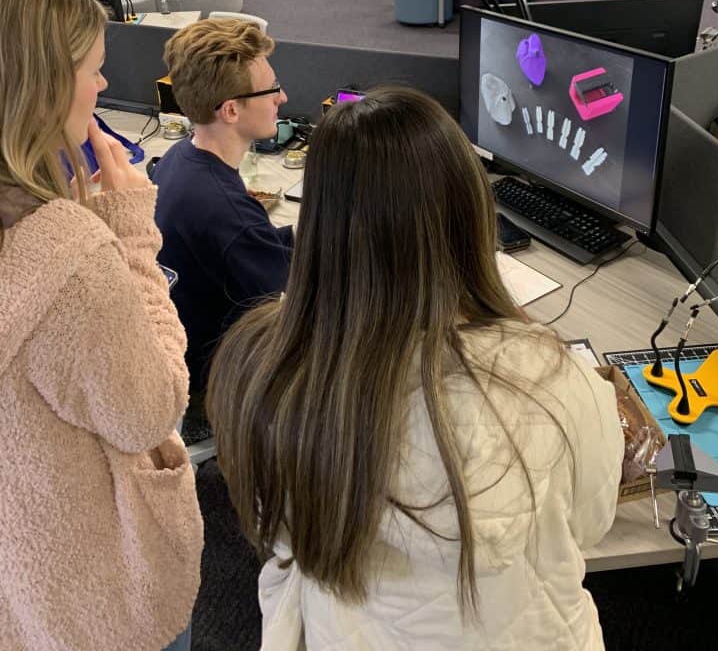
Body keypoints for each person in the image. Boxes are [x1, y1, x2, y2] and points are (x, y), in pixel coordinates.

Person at [207, 86, 624, 650]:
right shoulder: (553, 380)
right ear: (471, 217)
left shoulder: (261, 367)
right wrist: (519, 333)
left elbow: (277, 529)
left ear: (322, 221)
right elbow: (591, 525)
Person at [0, 0, 203, 651]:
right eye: (92, 67)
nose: (104, 84)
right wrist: (127, 233)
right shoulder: (67, 257)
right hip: (99, 598)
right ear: (43, 88)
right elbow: (153, 407)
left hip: (22, 581)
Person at [152, 17, 293, 427]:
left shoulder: (180, 158)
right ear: (231, 109)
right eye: (271, 90)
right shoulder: (229, 214)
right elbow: (288, 309)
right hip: (212, 381)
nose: (282, 97)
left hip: (181, 343)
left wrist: (307, 235)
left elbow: (245, 246)